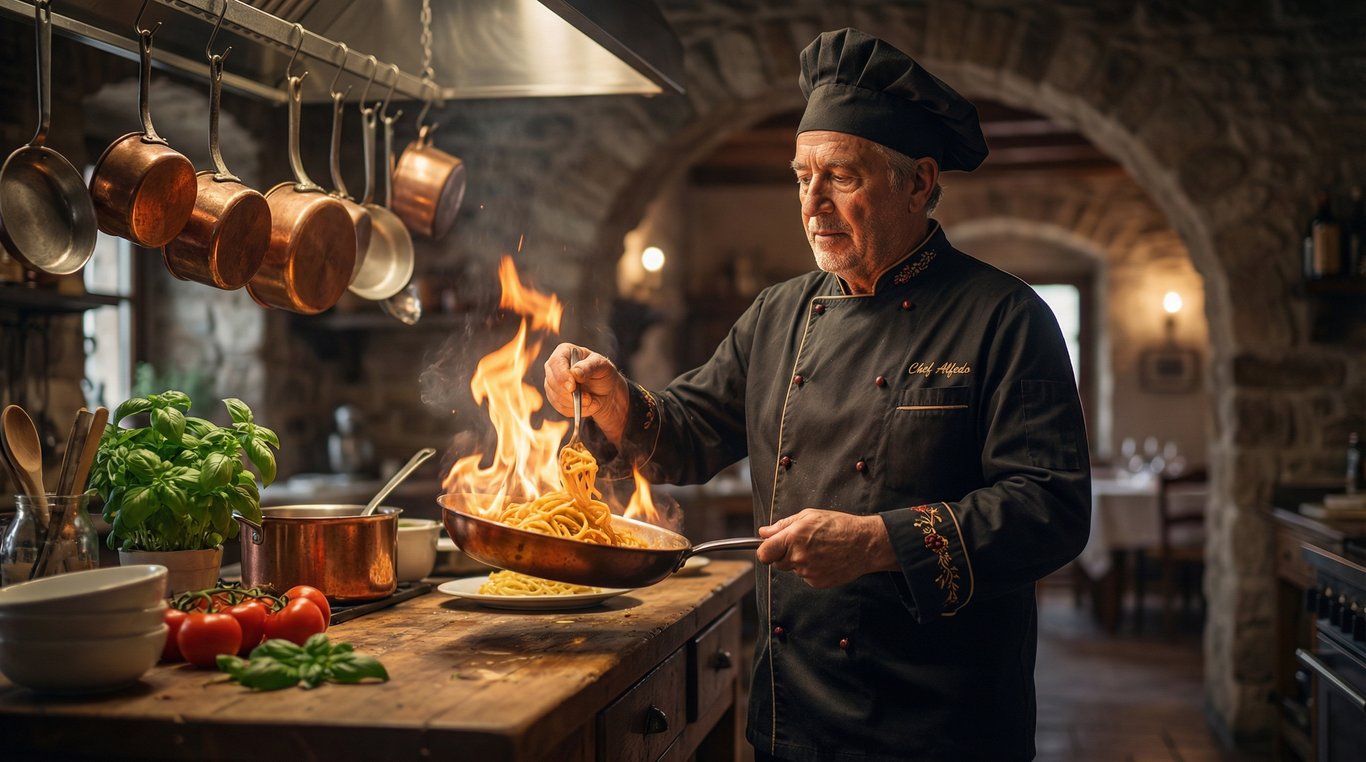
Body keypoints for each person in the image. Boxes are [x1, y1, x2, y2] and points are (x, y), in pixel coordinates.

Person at [544, 28, 1091, 762]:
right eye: (802, 177)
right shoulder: (779, 313)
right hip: (791, 714)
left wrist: (877, 543)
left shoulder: (1006, 317)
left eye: (841, 177)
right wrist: (613, 398)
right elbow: (687, 430)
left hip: (942, 722)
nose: (813, 204)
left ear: (918, 182)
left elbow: (1050, 509)